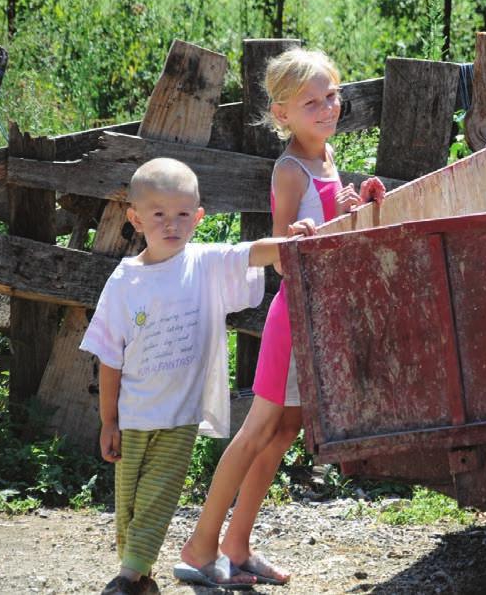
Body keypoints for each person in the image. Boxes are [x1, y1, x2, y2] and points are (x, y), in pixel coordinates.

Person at [180, 48, 385, 587]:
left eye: (332, 96)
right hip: (292, 317)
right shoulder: (290, 168)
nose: (326, 109)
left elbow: (329, 223)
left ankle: (237, 544)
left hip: (316, 314)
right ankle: (199, 549)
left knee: (286, 428)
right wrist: (307, 237)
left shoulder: (326, 157)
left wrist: (353, 206)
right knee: (256, 431)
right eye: (311, 102)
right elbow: (285, 248)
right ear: (282, 115)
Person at [83, 157, 316, 595]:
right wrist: (108, 420)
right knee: (130, 506)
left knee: (159, 496)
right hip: (134, 417)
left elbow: (251, 252)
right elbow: (109, 358)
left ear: (199, 216)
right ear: (135, 219)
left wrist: (289, 242)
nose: (172, 224)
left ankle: (127, 578)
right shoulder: (124, 282)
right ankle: (137, 574)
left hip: (179, 417)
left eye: (183, 214)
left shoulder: (204, 264)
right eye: (158, 215)